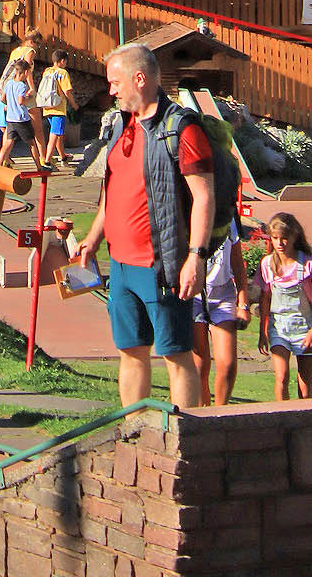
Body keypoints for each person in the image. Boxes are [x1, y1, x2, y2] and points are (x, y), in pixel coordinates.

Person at [74, 44, 215, 411]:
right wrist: (93, 237)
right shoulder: (121, 125)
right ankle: (131, 429)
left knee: (176, 353)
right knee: (131, 351)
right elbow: (113, 190)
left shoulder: (180, 129)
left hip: (161, 266)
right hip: (121, 267)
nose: (111, 90)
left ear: (140, 78)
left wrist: (196, 257)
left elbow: (204, 197)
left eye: (116, 82)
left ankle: (185, 433)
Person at [257, 210, 312, 401]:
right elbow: (264, 300)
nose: (280, 243)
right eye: (275, 238)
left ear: (294, 236)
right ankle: (281, 417)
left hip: (304, 326)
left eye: (284, 238)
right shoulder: (267, 264)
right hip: (278, 327)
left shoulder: (308, 264)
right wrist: (262, 332)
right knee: (281, 377)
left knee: (305, 387)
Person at [191, 215, 250, 405]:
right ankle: (203, 414)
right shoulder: (187, 212)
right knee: (199, 365)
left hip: (222, 292)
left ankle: (220, 411)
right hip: (194, 295)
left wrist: (243, 303)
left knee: (228, 364)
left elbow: (238, 264)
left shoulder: (229, 218)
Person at [37, 46, 75, 169]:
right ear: (62, 61)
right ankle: (47, 161)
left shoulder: (47, 71)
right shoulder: (63, 73)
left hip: (47, 107)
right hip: (58, 108)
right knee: (54, 135)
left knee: (57, 134)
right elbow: (67, 91)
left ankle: (63, 157)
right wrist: (74, 104)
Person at [0, 54, 39, 166]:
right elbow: (21, 101)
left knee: (8, 143)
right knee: (32, 143)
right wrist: (29, 98)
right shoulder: (22, 86)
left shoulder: (9, 83)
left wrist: (10, 103)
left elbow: (2, 99)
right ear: (25, 72)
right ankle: (39, 167)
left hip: (10, 118)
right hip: (21, 119)